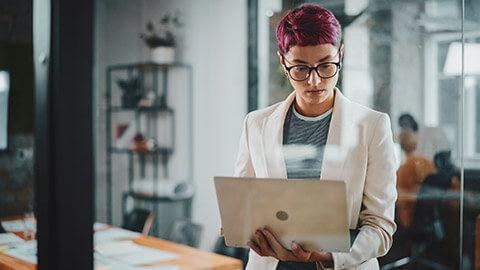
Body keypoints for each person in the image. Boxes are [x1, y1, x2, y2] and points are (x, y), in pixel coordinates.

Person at [233, 4, 397, 269]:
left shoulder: (373, 126)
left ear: (340, 54)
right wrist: (243, 228)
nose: (314, 81)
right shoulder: (256, 124)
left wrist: (323, 255)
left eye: (325, 66)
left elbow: (380, 230)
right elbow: (244, 207)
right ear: (282, 61)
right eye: (300, 68)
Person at [395, 131, 437, 229]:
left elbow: (397, 196)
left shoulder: (403, 170)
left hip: (410, 217)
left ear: (401, 147)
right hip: (430, 216)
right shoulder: (429, 163)